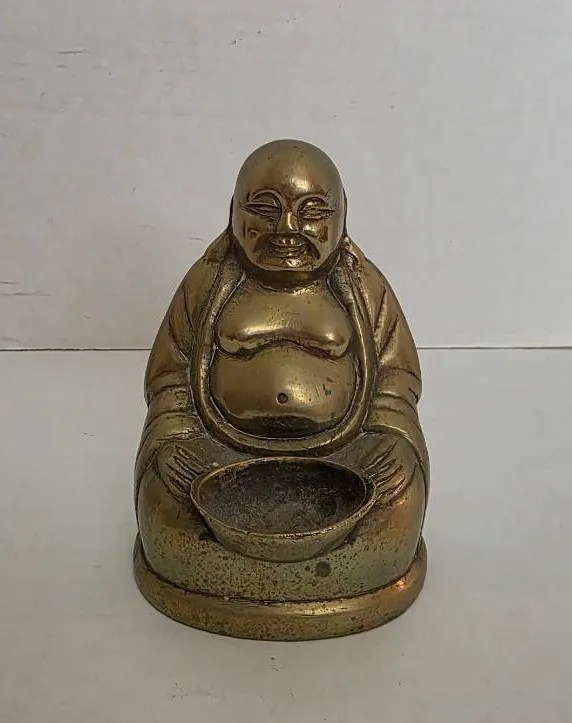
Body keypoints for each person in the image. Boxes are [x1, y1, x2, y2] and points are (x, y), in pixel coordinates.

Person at [134, 139, 429, 614]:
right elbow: (170, 380)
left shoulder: (363, 288)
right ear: (234, 213)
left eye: (312, 212)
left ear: (342, 217)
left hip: (347, 451)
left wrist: (389, 442)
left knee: (395, 514)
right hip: (217, 450)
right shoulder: (207, 283)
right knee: (167, 515)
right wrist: (175, 444)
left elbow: (395, 380)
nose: (288, 229)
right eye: (266, 209)